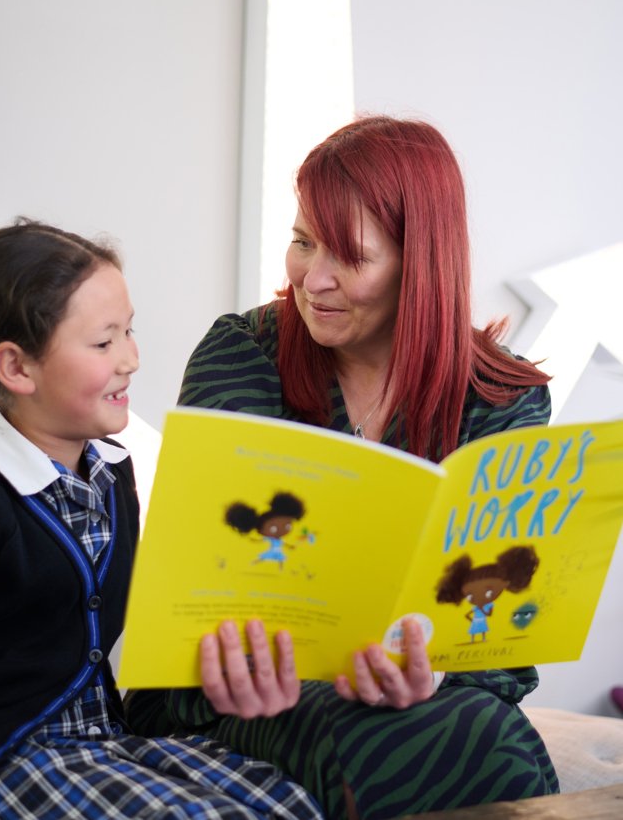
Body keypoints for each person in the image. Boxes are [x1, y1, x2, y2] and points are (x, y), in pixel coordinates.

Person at [126, 115, 560, 819]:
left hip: (431, 698)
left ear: (419, 263)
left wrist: (430, 673)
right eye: (302, 242)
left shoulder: (502, 398)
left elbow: (500, 646)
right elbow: (198, 576)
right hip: (229, 692)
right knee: (402, 740)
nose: (311, 279)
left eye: (350, 256)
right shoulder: (243, 352)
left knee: (483, 731)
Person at [0, 221, 323, 820]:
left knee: (290, 802)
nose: (132, 358)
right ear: (17, 368)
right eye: (103, 343)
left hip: (102, 740)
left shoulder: (112, 479)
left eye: (130, 331)